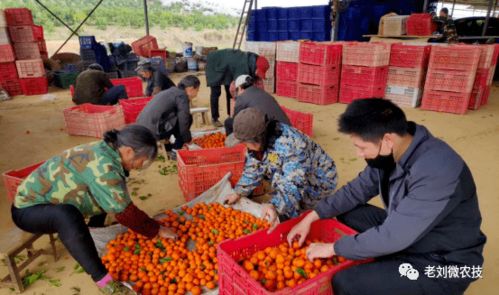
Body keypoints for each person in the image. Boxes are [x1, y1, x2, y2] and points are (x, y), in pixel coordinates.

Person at [287, 99, 486, 295]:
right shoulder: (392, 153)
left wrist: (333, 248)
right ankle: (385, 264)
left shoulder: (438, 170)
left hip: (442, 260)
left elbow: (394, 236)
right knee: (349, 212)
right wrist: (312, 216)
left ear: (387, 141)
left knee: (346, 282)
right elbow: (356, 191)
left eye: (361, 147)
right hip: (412, 232)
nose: (358, 154)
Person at [11, 125, 178, 294]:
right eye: (141, 161)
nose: (138, 166)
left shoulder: (106, 150)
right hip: (28, 211)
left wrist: (151, 227)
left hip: (46, 203)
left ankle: (94, 231)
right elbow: (125, 213)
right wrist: (157, 229)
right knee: (67, 215)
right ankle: (104, 281)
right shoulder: (104, 167)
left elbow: (116, 199)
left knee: (107, 195)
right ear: (128, 151)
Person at [225, 108, 338, 229]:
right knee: (286, 204)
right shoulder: (260, 143)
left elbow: (293, 184)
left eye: (244, 142)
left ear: (256, 140)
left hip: (318, 180)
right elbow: (254, 166)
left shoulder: (290, 145)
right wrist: (239, 192)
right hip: (293, 176)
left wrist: (274, 205)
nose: (244, 145)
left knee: (306, 215)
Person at [136, 75, 200, 159]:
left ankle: (169, 147)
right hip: (152, 132)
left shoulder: (172, 91)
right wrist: (188, 139)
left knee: (175, 118)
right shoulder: (182, 96)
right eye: (197, 90)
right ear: (191, 88)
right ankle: (176, 150)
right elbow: (184, 120)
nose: (196, 94)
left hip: (141, 128)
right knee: (188, 118)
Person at [205, 49, 270, 127]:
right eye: (258, 72)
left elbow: (257, 82)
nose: (257, 74)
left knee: (228, 91)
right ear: (255, 67)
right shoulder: (242, 67)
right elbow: (237, 88)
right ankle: (214, 118)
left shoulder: (253, 61)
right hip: (215, 63)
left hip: (228, 66)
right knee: (216, 92)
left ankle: (230, 115)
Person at [224, 75, 290, 135]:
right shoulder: (263, 93)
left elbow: (236, 120)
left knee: (228, 122)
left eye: (237, 90)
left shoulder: (242, 97)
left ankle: (234, 146)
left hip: (273, 133)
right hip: (288, 129)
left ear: (240, 88)